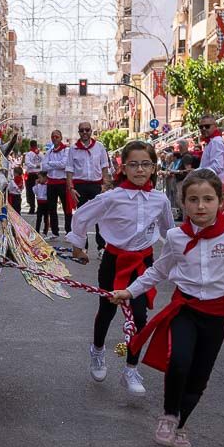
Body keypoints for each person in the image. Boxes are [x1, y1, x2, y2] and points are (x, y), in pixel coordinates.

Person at [111, 169, 224, 447]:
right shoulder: (175, 237)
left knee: (199, 375)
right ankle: (169, 415)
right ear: (182, 203)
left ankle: (181, 426)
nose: (201, 206)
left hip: (215, 314)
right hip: (184, 308)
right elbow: (158, 271)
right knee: (179, 361)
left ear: (221, 202)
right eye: (194, 200)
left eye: (208, 199)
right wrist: (130, 291)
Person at [70, 140, 173, 396]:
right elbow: (81, 215)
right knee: (107, 310)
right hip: (114, 262)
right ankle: (97, 351)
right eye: (134, 164)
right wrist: (78, 246)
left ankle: (131, 369)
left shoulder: (160, 200)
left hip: (143, 263)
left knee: (139, 316)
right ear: (123, 168)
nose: (140, 170)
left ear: (153, 168)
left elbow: (169, 232)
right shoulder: (112, 197)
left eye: (145, 164)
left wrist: (182, 257)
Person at [67, 121, 112, 252]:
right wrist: (71, 189)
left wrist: (105, 186)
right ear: (79, 132)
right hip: (80, 186)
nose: (85, 132)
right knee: (82, 217)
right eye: (82, 130)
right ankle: (83, 247)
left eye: (87, 130)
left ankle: (101, 247)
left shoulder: (99, 147)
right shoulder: (73, 149)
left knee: (100, 217)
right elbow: (69, 171)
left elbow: (105, 168)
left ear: (91, 131)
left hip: (96, 186)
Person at [43, 129, 72, 237]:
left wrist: (50, 163)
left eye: (57, 137)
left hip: (63, 182)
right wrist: (55, 164)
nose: (54, 139)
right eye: (53, 137)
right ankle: (55, 232)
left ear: (61, 138)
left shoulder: (66, 150)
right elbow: (44, 166)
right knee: (52, 208)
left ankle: (69, 231)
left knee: (66, 208)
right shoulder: (49, 151)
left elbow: (64, 164)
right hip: (51, 183)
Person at [197, 115, 224, 183]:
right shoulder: (211, 141)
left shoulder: (216, 141)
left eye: (207, 126)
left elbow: (217, 167)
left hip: (212, 185)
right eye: (201, 127)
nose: (204, 129)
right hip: (209, 183)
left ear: (215, 126)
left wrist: (197, 172)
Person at [23, 139, 42, 213]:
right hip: (39, 175)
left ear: (30, 145)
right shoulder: (40, 154)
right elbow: (43, 162)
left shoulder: (29, 154)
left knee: (30, 192)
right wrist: (38, 166)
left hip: (31, 175)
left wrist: (34, 166)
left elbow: (27, 163)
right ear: (36, 145)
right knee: (39, 192)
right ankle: (40, 208)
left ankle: (32, 208)